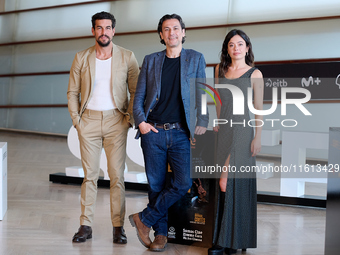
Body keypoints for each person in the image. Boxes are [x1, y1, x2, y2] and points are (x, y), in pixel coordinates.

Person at [129, 13, 208, 252]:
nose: (171, 32)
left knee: (182, 182)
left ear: (183, 32)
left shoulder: (195, 58)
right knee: (156, 184)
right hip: (153, 131)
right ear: (161, 35)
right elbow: (139, 97)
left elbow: (202, 94)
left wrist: (203, 118)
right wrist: (141, 122)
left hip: (181, 133)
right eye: (166, 29)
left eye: (176, 28)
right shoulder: (151, 60)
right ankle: (160, 235)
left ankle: (144, 218)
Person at [67, 11, 139, 244]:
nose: (104, 32)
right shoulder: (81, 57)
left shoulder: (127, 56)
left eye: (108, 28)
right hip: (87, 121)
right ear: (93, 31)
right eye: (99, 28)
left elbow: (136, 91)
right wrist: (77, 120)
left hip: (116, 121)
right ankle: (85, 226)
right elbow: (73, 92)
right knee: (89, 176)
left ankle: (118, 227)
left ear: (114, 31)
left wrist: (129, 119)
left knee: (117, 176)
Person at [210, 29, 264, 255]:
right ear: (227, 49)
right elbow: (218, 100)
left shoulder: (255, 74)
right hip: (225, 131)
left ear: (247, 47)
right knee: (226, 186)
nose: (236, 48)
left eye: (240, 44)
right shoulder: (219, 70)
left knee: (227, 182)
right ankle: (231, 239)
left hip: (243, 132)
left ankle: (226, 241)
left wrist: (258, 136)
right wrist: (219, 122)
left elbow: (259, 108)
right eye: (231, 45)